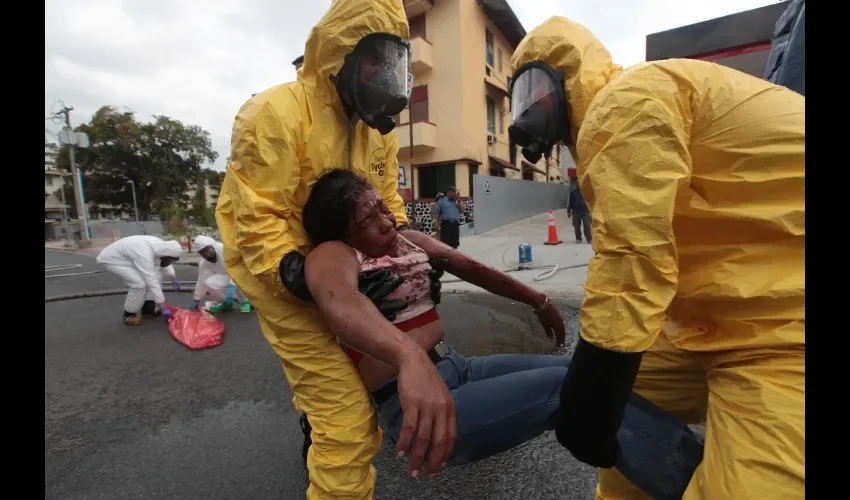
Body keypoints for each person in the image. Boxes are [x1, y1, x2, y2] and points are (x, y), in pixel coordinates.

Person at [508, 16, 804, 499]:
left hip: (787, 325)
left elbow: (632, 261)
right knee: (632, 396)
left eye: (535, 89)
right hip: (730, 313)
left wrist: (594, 398)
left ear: (569, 79)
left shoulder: (624, 103)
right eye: (521, 99)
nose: (528, 110)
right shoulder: (618, 117)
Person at [301, 169, 705, 498]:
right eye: (367, 221)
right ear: (341, 232)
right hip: (414, 409)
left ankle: (691, 463)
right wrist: (407, 356)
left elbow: (475, 269)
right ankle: (699, 485)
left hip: (459, 368)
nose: (386, 223)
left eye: (382, 209)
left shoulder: (410, 239)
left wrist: (539, 300)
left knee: (580, 371)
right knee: (568, 389)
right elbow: (339, 302)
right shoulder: (334, 255)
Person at [214, 1, 446, 497]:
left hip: (349, 275)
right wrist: (301, 277)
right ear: (343, 52)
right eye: (377, 60)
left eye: (395, 64)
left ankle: (315, 431)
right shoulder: (274, 113)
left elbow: (387, 203)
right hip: (282, 280)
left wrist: (410, 262)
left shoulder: (373, 130)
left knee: (361, 380)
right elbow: (259, 221)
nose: (388, 76)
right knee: (348, 420)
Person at [96, 235, 183, 326]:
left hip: (130, 257)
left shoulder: (163, 247)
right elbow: (151, 279)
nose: (169, 261)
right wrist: (162, 305)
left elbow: (165, 262)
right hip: (113, 260)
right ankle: (129, 314)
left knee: (157, 275)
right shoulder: (144, 253)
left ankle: (148, 309)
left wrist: (173, 276)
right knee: (139, 284)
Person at [191, 235, 251, 314]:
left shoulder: (226, 250)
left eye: (207, 250)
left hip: (242, 273)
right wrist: (196, 299)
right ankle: (226, 303)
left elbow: (239, 268)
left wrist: (231, 286)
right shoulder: (204, 264)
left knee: (237, 281)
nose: (207, 254)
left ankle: (245, 302)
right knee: (209, 283)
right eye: (203, 253)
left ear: (213, 246)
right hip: (226, 275)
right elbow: (201, 280)